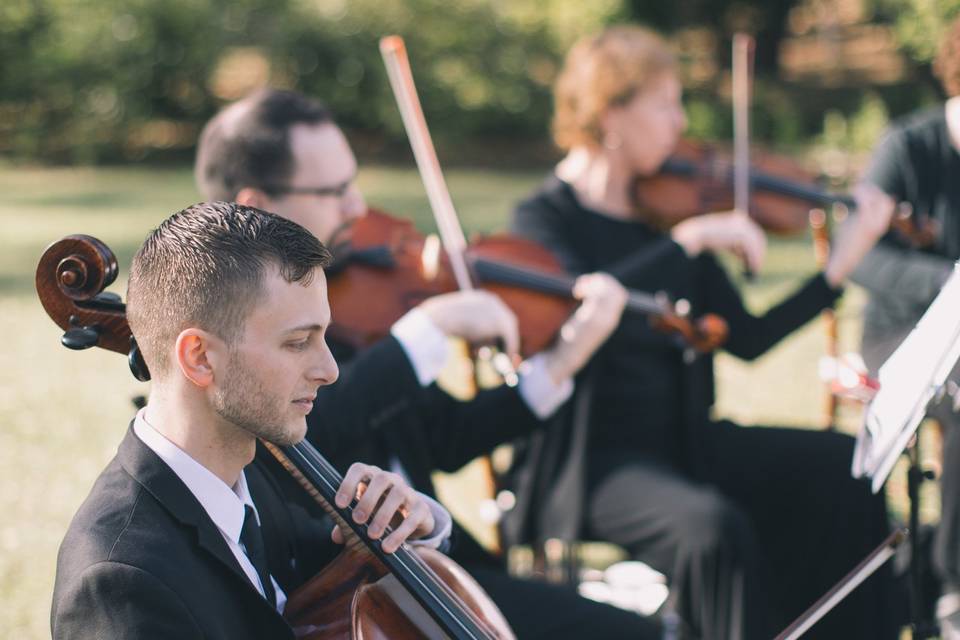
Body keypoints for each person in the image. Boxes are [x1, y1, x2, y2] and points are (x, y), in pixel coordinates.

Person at [195, 89, 661, 638]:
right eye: (333, 191)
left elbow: (446, 436)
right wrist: (428, 331)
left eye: (353, 183)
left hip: (439, 568)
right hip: (368, 600)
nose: (357, 208)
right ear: (257, 205)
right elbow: (318, 430)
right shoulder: (246, 348)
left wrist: (564, 358)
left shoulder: (358, 309)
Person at [505, 25, 900, 640]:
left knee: (843, 468)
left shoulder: (669, 211)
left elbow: (748, 337)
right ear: (611, 114)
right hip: (592, 465)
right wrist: (685, 243)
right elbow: (580, 306)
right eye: (665, 103)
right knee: (710, 528)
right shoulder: (544, 219)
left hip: (687, 443)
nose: (680, 121)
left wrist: (837, 269)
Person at [51, 202, 452, 639]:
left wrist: (418, 523)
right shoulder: (119, 582)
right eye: (299, 342)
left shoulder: (253, 481)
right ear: (200, 358)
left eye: (324, 336)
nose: (330, 369)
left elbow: (350, 584)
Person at [851, 16, 960, 638]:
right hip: (903, 336)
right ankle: (952, 582)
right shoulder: (906, 145)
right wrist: (948, 279)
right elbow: (863, 256)